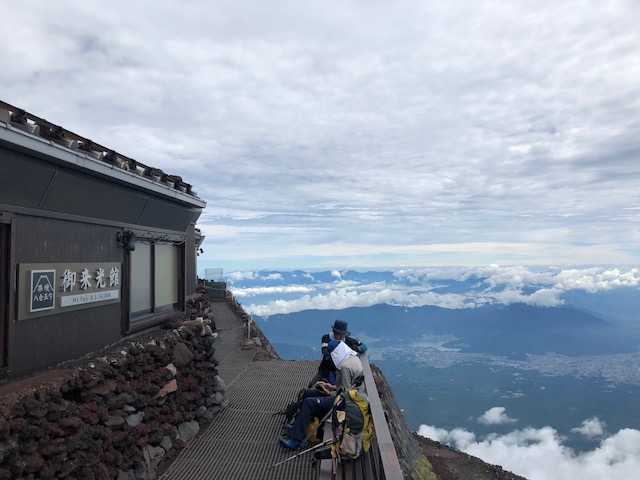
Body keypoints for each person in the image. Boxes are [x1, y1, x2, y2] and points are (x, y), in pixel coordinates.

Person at [279, 339, 364, 450]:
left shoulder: (345, 367)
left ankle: (296, 440)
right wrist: (331, 387)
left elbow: (345, 395)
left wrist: (330, 393)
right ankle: (297, 427)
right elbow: (346, 387)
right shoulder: (352, 358)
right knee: (307, 393)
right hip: (345, 397)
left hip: (345, 404)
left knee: (309, 403)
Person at [307, 319, 367, 388]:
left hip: (340, 371)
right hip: (326, 370)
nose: (341, 337)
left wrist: (358, 348)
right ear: (334, 332)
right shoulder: (326, 338)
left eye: (343, 334)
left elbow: (364, 346)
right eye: (339, 334)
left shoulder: (348, 340)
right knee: (311, 385)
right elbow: (325, 352)